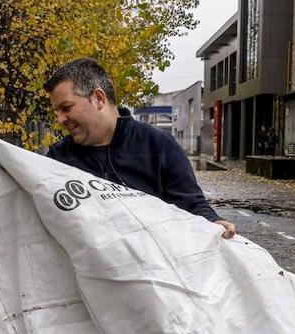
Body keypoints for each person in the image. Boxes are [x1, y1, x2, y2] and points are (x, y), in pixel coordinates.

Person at [43, 59, 235, 238]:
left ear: (99, 98)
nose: (60, 120)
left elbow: (192, 205)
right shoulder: (58, 157)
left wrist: (214, 223)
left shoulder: (159, 145)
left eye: (66, 108)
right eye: (56, 112)